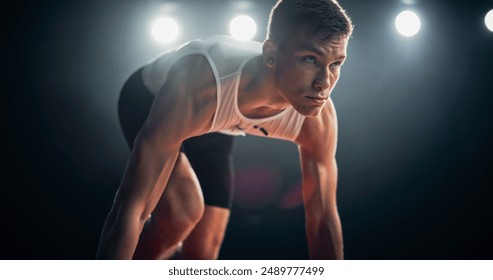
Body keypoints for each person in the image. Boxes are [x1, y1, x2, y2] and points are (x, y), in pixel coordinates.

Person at [96, 0, 353, 260]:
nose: (324, 83)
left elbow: (322, 224)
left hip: (218, 120)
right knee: (182, 213)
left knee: (204, 252)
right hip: (153, 100)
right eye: (311, 59)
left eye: (335, 64)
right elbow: (131, 210)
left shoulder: (317, 116)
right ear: (271, 55)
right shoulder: (201, 84)